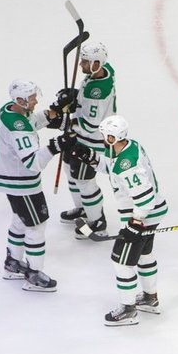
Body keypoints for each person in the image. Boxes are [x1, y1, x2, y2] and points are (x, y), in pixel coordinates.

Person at [69, 115, 168, 325]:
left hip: (144, 214)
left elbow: (144, 196)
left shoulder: (127, 164)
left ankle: (128, 309)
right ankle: (150, 299)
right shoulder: (127, 147)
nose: (103, 138)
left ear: (112, 137)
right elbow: (110, 167)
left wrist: (135, 222)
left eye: (105, 136)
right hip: (154, 211)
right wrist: (89, 156)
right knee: (145, 255)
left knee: (121, 262)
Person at [0, 79, 74, 292]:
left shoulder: (9, 110)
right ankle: (34, 274)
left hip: (10, 178)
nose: (36, 101)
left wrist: (54, 110)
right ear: (20, 100)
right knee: (36, 224)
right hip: (22, 182)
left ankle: (13, 263)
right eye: (32, 98)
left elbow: (32, 122)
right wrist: (56, 146)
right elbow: (33, 163)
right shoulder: (17, 127)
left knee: (20, 219)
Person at [57, 41, 117, 239]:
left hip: (90, 142)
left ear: (96, 63)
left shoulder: (97, 92)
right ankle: (82, 208)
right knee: (70, 171)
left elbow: (91, 125)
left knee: (84, 180)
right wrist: (75, 97)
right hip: (79, 138)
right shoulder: (102, 70)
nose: (81, 65)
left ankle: (97, 222)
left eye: (85, 62)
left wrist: (66, 120)